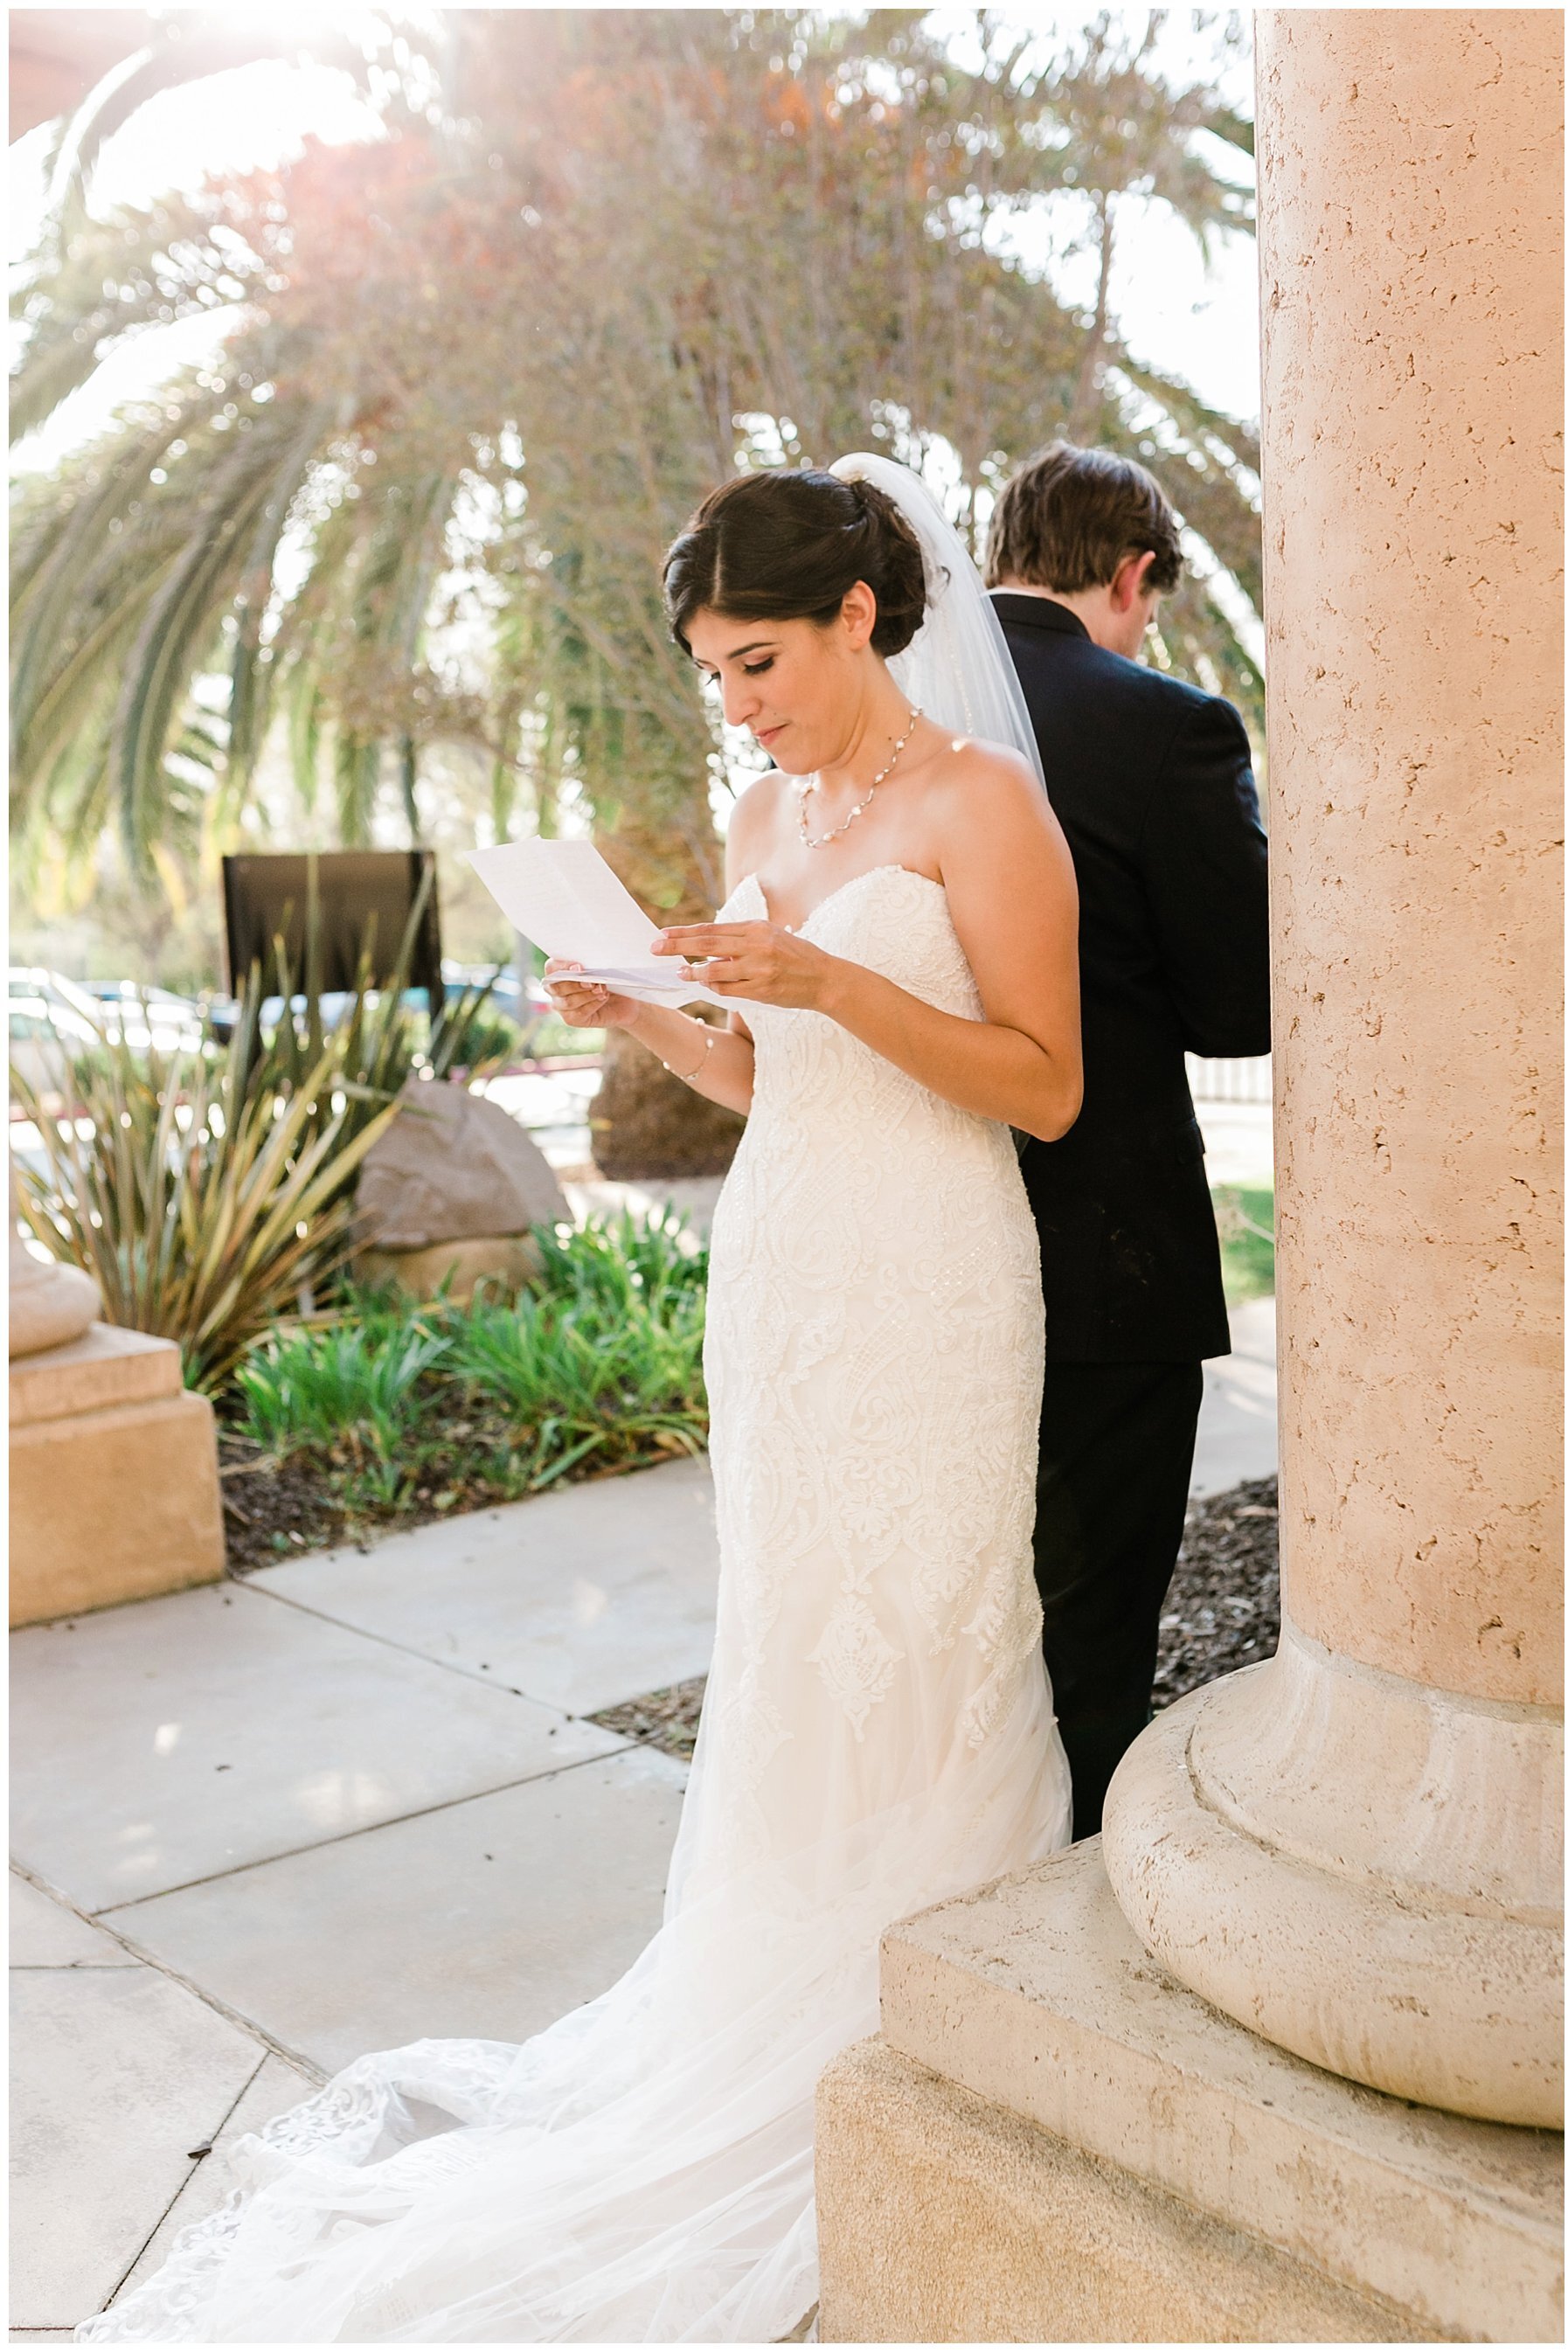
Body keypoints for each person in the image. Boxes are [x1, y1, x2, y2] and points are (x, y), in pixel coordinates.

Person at [80, 456, 1079, 2345]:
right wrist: (662, 1023)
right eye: (714, 669)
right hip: (787, 1268)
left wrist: (818, 983)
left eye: (759, 658)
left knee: (931, 1612)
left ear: (864, 614)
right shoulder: (763, 806)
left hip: (940, 1274)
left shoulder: (982, 805)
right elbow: (773, 1078)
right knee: (793, 1623)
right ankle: (774, 1966)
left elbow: (1043, 1086)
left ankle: (936, 1992)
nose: (740, 701)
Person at [986, 441, 1272, 1842]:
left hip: (915, 1234)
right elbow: (1241, 1006)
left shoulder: (878, 720)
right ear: (1133, 573)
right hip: (1104, 1241)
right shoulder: (1162, 725)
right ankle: (1079, 1894)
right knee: (1093, 1623)